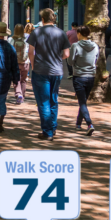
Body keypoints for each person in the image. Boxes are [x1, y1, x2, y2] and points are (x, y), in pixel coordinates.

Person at [27, 8, 70, 140]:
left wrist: (33, 66)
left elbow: (30, 52)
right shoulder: (62, 33)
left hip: (40, 70)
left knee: (43, 102)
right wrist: (56, 59)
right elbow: (66, 54)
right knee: (53, 100)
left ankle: (47, 132)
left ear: (43, 19)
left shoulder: (36, 32)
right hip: (57, 71)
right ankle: (53, 127)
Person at [70, 26, 99, 136]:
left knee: (82, 102)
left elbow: (70, 61)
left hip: (79, 76)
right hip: (91, 76)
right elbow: (96, 59)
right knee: (83, 101)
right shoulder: (95, 46)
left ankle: (89, 124)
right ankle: (78, 123)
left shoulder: (75, 45)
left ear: (79, 34)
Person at [13, 23, 32, 104]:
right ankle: (22, 98)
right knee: (23, 80)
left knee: (16, 79)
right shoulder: (27, 40)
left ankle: (18, 94)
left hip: (15, 63)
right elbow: (30, 51)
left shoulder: (11, 39)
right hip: (25, 63)